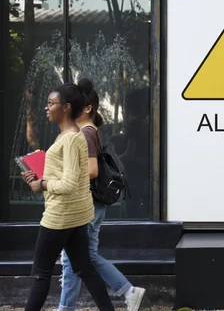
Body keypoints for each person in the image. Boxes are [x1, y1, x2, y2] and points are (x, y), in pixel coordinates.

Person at [21, 83, 115, 311]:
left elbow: (71, 183)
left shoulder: (72, 138)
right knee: (85, 268)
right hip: (75, 215)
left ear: (66, 108)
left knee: (40, 275)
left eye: (51, 103)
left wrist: (41, 184)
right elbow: (69, 174)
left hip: (60, 216)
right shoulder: (69, 135)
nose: (46, 107)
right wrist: (40, 174)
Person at [57, 79, 146, 311]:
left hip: (86, 204)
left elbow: (93, 170)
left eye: (74, 105)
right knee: (88, 256)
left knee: (71, 260)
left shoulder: (85, 133)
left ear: (87, 108)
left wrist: (62, 176)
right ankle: (129, 291)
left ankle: (65, 308)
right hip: (94, 204)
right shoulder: (91, 130)